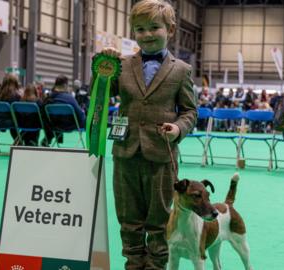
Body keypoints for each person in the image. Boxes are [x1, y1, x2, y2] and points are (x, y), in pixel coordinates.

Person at [100, 1, 197, 269]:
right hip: (125, 154)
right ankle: (132, 264)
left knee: (159, 221)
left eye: (154, 27)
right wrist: (105, 67)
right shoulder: (121, 64)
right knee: (128, 219)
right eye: (140, 29)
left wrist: (178, 128)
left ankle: (156, 266)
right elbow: (101, 94)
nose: (147, 34)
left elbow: (190, 111)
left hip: (162, 156)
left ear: (171, 29)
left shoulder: (181, 70)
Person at [41, 75, 85, 146]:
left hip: (54, 126)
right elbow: (80, 115)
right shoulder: (69, 98)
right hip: (69, 126)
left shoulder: (48, 98)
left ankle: (48, 138)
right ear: (65, 85)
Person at [0, 74, 21, 143]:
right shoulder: (16, 95)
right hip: (10, 122)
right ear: (15, 82)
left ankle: (18, 141)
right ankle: (22, 142)